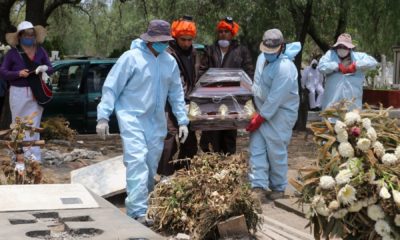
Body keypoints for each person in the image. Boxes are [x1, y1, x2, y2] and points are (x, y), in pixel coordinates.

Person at [95, 20, 189, 226]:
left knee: (150, 165)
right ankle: (136, 212)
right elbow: (111, 87)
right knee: (137, 161)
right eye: (159, 41)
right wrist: (103, 116)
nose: (163, 45)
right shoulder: (130, 59)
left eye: (165, 41)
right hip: (132, 118)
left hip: (156, 122)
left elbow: (176, 92)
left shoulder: (169, 61)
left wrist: (182, 120)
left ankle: (144, 205)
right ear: (149, 40)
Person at [247, 29, 301, 201]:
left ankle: (278, 187)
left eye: (272, 51)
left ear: (281, 47)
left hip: (280, 114)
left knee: (276, 151)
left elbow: (276, 97)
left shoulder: (286, 68)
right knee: (257, 148)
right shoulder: (261, 58)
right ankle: (258, 186)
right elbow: (256, 83)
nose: (268, 54)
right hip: (261, 111)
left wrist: (261, 116)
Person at [199, 16, 254, 155]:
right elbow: (201, 71)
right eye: (221, 31)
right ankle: (212, 162)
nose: (223, 34)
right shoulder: (210, 50)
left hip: (232, 100)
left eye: (226, 31)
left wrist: (243, 93)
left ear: (232, 33)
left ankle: (228, 163)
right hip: (212, 99)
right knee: (211, 132)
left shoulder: (241, 51)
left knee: (229, 132)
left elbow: (249, 73)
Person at [0, 21, 53, 162]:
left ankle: (33, 159)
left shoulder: (41, 51)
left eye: (31, 35)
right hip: (18, 93)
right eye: (27, 35)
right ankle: (17, 158)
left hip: (37, 92)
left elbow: (51, 68)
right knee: (18, 125)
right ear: (20, 36)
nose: (29, 37)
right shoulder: (12, 54)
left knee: (34, 126)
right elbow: (3, 72)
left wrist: (44, 69)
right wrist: (18, 73)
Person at [157, 16, 198, 176]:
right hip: (169, 102)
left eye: (189, 39)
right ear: (175, 37)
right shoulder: (168, 54)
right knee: (169, 140)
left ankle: (182, 174)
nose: (187, 43)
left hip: (187, 103)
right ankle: (164, 175)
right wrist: (183, 101)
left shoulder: (193, 52)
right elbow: (176, 83)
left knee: (190, 143)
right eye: (183, 39)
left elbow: (194, 77)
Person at [318, 33, 377, 110]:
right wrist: (338, 66)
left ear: (350, 48)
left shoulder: (359, 57)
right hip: (332, 105)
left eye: (345, 47)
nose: (342, 48)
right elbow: (321, 67)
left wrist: (355, 65)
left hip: (352, 105)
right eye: (340, 46)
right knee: (331, 120)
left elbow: (373, 63)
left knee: (351, 120)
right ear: (336, 46)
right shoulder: (330, 55)